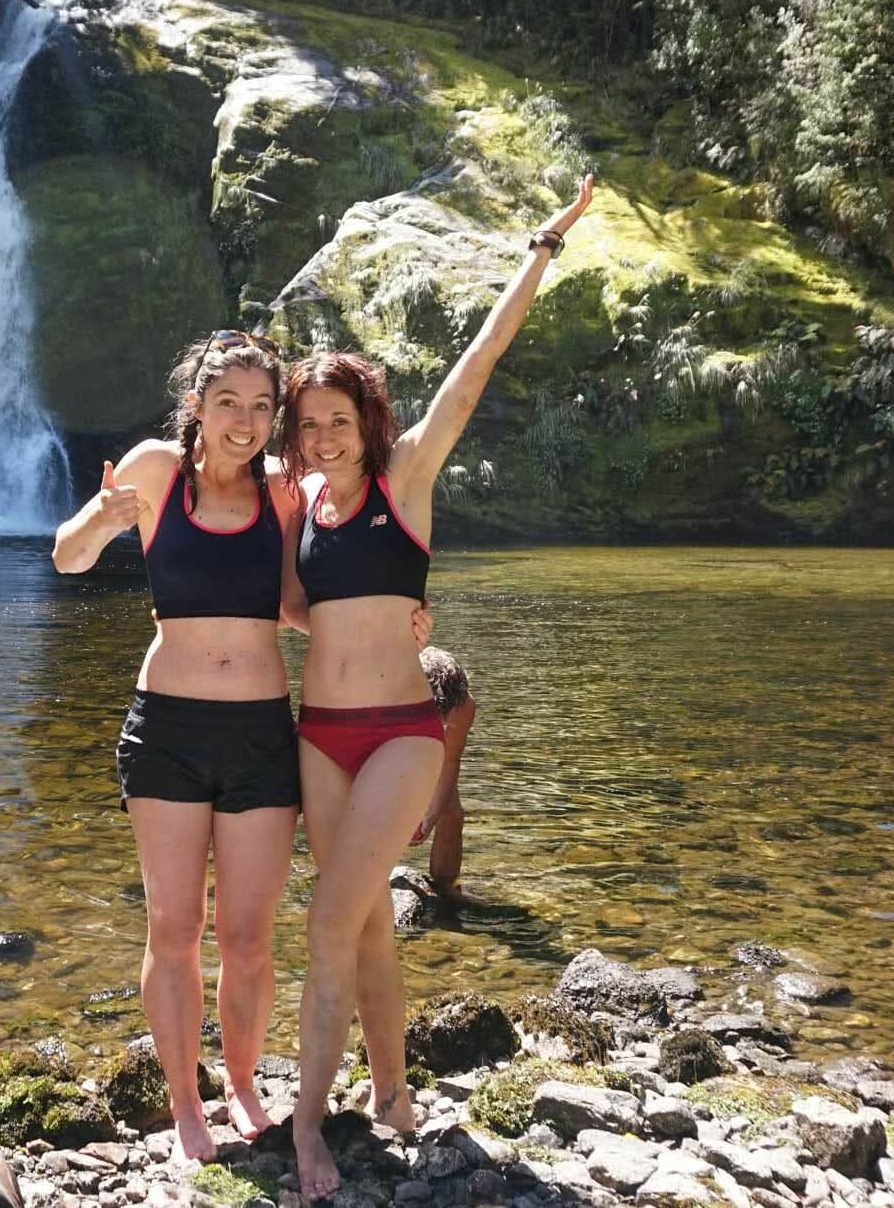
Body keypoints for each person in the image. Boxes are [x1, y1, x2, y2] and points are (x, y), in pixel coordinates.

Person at [279, 174, 596, 1199]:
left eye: (339, 420)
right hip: (318, 730)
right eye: (309, 425)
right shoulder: (306, 508)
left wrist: (540, 250)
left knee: (333, 919)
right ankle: (392, 1092)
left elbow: (477, 367)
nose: (324, 437)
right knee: (365, 919)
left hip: (402, 733)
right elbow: (291, 608)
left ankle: (308, 1134)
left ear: (369, 420)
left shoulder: (404, 480)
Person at [52, 331, 300, 1161]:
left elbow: (300, 606)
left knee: (250, 934)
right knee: (173, 927)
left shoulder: (283, 489)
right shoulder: (157, 468)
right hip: (167, 728)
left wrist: (388, 619)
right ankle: (185, 1100)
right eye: (228, 402)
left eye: (262, 406)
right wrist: (102, 517)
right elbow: (68, 559)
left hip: (263, 733)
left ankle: (241, 1080)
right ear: (195, 404)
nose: (246, 420)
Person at [410, 646, 477, 903]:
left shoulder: (465, 705)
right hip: (385, 745)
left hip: (431, 754)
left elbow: (449, 762)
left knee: (452, 812)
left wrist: (429, 819)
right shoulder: (395, 692)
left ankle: (443, 890)